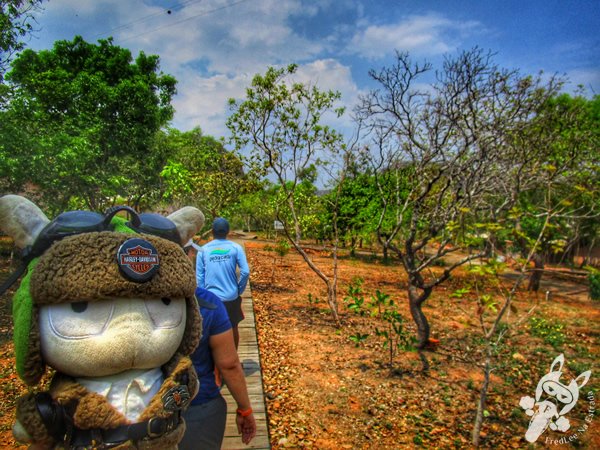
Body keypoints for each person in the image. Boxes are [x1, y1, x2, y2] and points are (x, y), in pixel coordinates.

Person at [179, 287, 257, 450]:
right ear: (190, 259)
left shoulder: (122, 302)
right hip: (197, 404)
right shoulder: (207, 304)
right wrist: (245, 410)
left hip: (137, 411)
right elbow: (229, 365)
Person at [196, 217, 250, 349]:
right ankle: (234, 358)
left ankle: (215, 365)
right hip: (231, 296)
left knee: (210, 330)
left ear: (212, 231)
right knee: (233, 327)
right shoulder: (235, 248)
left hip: (211, 299)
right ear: (228, 232)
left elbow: (199, 277)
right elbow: (245, 272)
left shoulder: (203, 250)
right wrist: (239, 290)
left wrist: (204, 297)